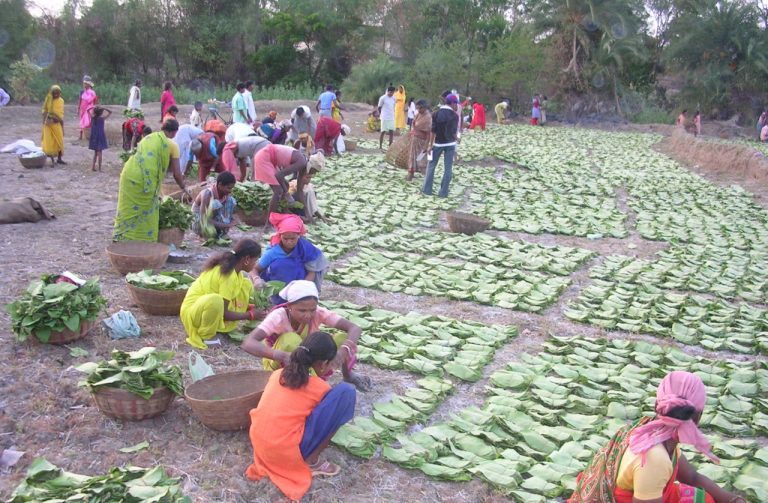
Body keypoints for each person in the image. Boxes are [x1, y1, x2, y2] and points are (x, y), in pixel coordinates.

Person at [569, 371, 746, 503]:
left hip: (642, 491)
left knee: (705, 498)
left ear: (657, 406)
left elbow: (691, 476)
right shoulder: (654, 459)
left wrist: (732, 500)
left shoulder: (652, 430)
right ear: (698, 418)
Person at [244, 331, 356, 502]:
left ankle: (298, 454)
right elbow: (324, 419)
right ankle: (312, 460)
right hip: (284, 452)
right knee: (346, 392)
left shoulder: (277, 374)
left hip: (261, 446)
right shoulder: (319, 387)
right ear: (323, 364)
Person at [241, 281, 370, 392]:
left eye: (312, 310)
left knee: (342, 338)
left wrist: (343, 351)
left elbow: (354, 328)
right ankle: (291, 382)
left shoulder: (318, 313)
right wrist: (281, 355)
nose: (308, 315)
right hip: (284, 360)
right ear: (289, 306)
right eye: (302, 311)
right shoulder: (278, 316)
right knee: (291, 340)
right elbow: (248, 343)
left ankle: (347, 375)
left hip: (308, 358)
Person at [113, 119, 188, 241]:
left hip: (129, 174)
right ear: (175, 132)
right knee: (148, 210)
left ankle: (122, 235)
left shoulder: (149, 137)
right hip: (145, 181)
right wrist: (184, 187)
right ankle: (142, 240)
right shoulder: (173, 145)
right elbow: (177, 174)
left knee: (128, 207)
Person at [180, 238, 261, 349]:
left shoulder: (237, 273)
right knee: (216, 300)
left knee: (245, 284)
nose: (255, 264)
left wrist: (246, 307)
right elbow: (224, 312)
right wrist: (250, 315)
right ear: (246, 259)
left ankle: (216, 326)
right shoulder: (228, 275)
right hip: (193, 312)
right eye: (255, 260)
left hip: (205, 308)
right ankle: (206, 335)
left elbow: (228, 300)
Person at [253, 213, 328, 296]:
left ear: (299, 236)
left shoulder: (304, 248)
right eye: (285, 238)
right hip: (277, 287)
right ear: (280, 235)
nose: (289, 242)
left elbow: (312, 272)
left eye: (293, 238)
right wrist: (256, 279)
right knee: (281, 264)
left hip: (300, 285)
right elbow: (255, 269)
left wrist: (302, 288)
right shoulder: (273, 252)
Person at [253, 145, 316, 216]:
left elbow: (299, 189)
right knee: (278, 191)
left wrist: (307, 213)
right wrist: (287, 193)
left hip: (271, 158)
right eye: (315, 171)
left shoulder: (303, 163)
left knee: (286, 185)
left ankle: (284, 211)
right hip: (264, 157)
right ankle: (268, 222)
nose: (314, 173)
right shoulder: (302, 162)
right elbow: (279, 175)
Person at [422, 94, 459, 198]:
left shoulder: (436, 114)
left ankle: (427, 190)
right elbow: (453, 133)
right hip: (450, 145)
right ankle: (443, 193)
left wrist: (430, 145)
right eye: (456, 104)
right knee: (448, 168)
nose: (456, 106)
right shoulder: (455, 116)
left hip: (437, 144)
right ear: (452, 103)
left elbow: (433, 131)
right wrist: (457, 138)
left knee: (431, 166)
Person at [191, 172, 237, 239]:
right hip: (200, 222)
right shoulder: (207, 194)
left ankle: (219, 231)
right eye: (228, 188)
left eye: (231, 188)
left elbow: (228, 214)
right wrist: (226, 225)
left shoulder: (226, 195)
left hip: (213, 220)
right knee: (216, 204)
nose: (230, 191)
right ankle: (203, 234)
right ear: (220, 185)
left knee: (231, 200)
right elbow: (203, 218)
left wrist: (232, 221)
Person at [406, 99, 433, 182]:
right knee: (412, 158)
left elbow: (429, 133)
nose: (418, 110)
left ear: (424, 107)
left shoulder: (428, 117)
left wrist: (427, 145)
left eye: (419, 108)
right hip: (415, 140)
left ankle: (428, 180)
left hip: (422, 142)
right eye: (417, 108)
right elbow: (414, 124)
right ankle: (410, 175)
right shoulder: (418, 114)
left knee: (422, 162)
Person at [41, 85, 66, 166]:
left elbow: (61, 113)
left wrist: (59, 120)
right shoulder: (48, 99)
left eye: (58, 93)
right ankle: (52, 160)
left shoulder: (61, 101)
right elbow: (44, 110)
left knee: (59, 141)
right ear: (52, 93)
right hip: (48, 124)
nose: (56, 95)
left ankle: (59, 158)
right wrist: (46, 119)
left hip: (57, 123)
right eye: (55, 94)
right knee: (50, 142)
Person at [88, 106, 111, 172]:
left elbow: (87, 111)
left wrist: (92, 107)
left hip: (94, 136)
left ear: (94, 112)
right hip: (100, 136)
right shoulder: (102, 119)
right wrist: (105, 108)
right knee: (100, 152)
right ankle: (100, 168)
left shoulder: (92, 118)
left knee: (95, 153)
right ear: (101, 112)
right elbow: (110, 112)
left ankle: (93, 167)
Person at [78, 76, 98, 141]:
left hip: (89, 109)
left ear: (89, 84)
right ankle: (81, 136)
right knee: (82, 121)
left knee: (88, 121)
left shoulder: (92, 92)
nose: (84, 85)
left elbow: (95, 101)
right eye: (84, 83)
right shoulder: (82, 92)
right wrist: (78, 108)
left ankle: (88, 136)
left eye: (85, 83)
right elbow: (80, 100)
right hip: (82, 109)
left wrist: (94, 109)